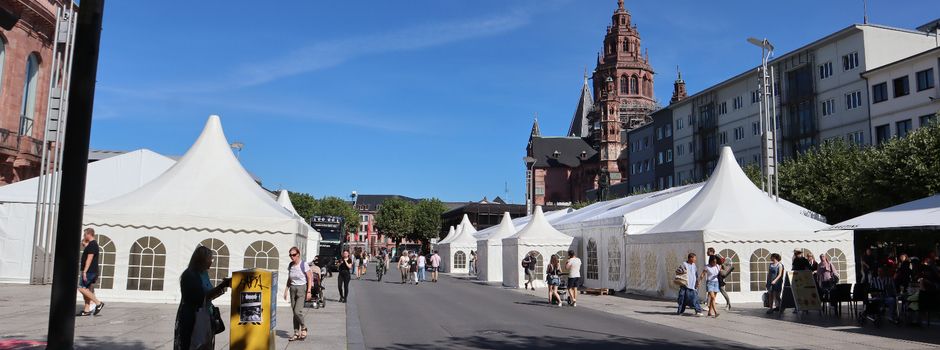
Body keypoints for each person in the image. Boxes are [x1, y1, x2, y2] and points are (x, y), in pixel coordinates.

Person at [174, 246, 230, 350]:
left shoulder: (203, 273)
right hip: (193, 317)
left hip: (205, 315)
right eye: (210, 259)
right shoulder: (190, 275)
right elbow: (201, 297)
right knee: (193, 345)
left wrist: (223, 286)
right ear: (202, 260)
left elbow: (209, 296)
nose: (211, 262)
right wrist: (222, 285)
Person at [283, 247, 313, 341]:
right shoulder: (291, 265)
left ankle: (304, 327)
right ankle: (296, 333)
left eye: (294, 255)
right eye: (290, 255)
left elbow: (309, 277)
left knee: (297, 311)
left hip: (301, 288)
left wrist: (309, 291)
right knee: (294, 313)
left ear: (298, 254)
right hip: (292, 288)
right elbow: (290, 278)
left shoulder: (304, 264)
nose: (292, 257)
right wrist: (286, 289)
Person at [77, 228, 105, 316]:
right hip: (90, 271)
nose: (84, 236)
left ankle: (98, 303)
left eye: (84, 235)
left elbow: (89, 259)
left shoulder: (93, 245)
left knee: (81, 288)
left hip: (90, 271)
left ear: (89, 234)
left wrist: (85, 271)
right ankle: (86, 310)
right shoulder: (91, 245)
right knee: (86, 289)